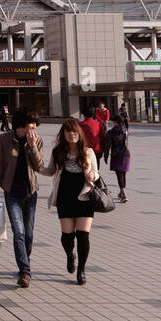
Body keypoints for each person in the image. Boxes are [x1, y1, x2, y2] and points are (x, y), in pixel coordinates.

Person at [0, 107, 45, 288]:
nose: (33, 131)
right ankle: (25, 271)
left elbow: (39, 166)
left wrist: (33, 146)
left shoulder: (36, 140)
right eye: (30, 127)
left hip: (31, 193)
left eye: (35, 128)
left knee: (28, 235)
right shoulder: (4, 140)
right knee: (18, 233)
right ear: (20, 126)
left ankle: (24, 262)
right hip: (11, 193)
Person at [42, 118, 98, 286]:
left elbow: (96, 172)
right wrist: (35, 165)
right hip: (65, 198)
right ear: (63, 134)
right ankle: (69, 255)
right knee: (67, 236)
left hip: (85, 198)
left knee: (83, 235)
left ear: (79, 134)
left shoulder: (88, 152)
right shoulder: (58, 152)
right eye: (68, 131)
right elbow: (50, 170)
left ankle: (81, 270)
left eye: (74, 131)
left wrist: (92, 176)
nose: (72, 134)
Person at [105, 116, 131, 202]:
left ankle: (123, 192)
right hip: (126, 154)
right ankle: (122, 191)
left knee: (119, 174)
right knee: (123, 174)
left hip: (116, 154)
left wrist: (105, 156)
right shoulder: (125, 131)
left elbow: (107, 145)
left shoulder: (110, 132)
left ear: (115, 122)